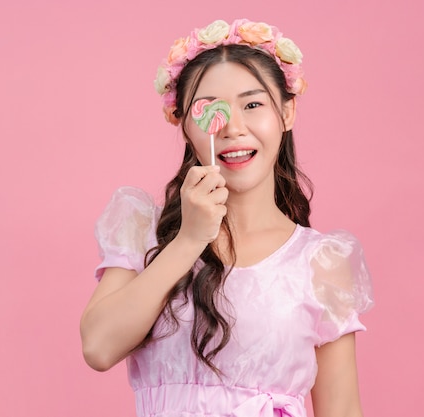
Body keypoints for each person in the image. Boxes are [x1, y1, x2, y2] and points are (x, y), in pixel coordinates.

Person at [80, 18, 374, 417]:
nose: (233, 128)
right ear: (183, 123)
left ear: (287, 112)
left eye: (253, 104)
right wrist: (188, 240)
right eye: (210, 110)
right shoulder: (141, 229)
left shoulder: (320, 263)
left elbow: (342, 411)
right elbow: (98, 347)